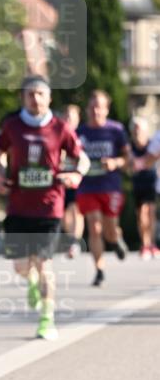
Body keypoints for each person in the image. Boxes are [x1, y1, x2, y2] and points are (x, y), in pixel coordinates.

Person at [0, 76, 89, 340]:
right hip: (18, 206)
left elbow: (81, 158)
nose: (35, 99)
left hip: (49, 207)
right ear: (23, 98)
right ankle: (31, 281)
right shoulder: (12, 126)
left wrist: (76, 175)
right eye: (30, 94)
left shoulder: (60, 127)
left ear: (49, 98)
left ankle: (47, 320)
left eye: (40, 94)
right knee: (21, 267)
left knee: (45, 264)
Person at [76, 90, 131, 286]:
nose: (95, 111)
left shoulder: (116, 130)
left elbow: (128, 159)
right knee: (94, 226)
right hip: (87, 186)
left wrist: (116, 162)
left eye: (99, 107)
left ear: (106, 110)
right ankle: (99, 269)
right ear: (87, 110)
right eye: (92, 107)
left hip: (110, 187)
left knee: (109, 229)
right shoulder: (80, 133)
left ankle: (116, 240)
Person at [129, 117, 159, 258]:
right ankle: (145, 244)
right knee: (141, 215)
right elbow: (128, 163)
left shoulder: (152, 144)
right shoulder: (130, 147)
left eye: (140, 129)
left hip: (151, 181)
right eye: (135, 129)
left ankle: (152, 244)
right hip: (138, 183)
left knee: (150, 213)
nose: (137, 132)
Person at [58, 104, 85, 259]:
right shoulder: (58, 134)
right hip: (61, 177)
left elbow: (85, 159)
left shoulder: (82, 135)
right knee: (63, 212)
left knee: (77, 210)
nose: (69, 119)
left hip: (77, 177)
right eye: (66, 116)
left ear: (78, 118)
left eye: (72, 116)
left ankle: (75, 242)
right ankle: (69, 239)